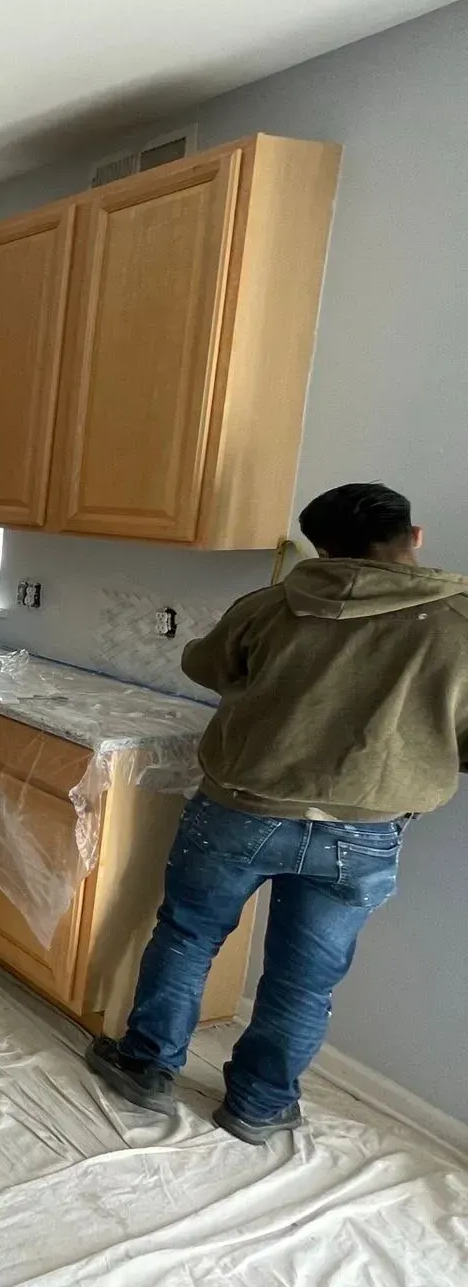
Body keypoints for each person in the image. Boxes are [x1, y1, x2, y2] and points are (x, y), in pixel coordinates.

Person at [86, 482, 468, 1143]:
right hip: (364, 829)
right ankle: (259, 1106)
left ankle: (146, 1067)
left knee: (188, 935)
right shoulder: (460, 622)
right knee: (306, 976)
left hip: (241, 809)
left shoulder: (272, 604)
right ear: (416, 538)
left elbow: (208, 666)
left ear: (321, 548)